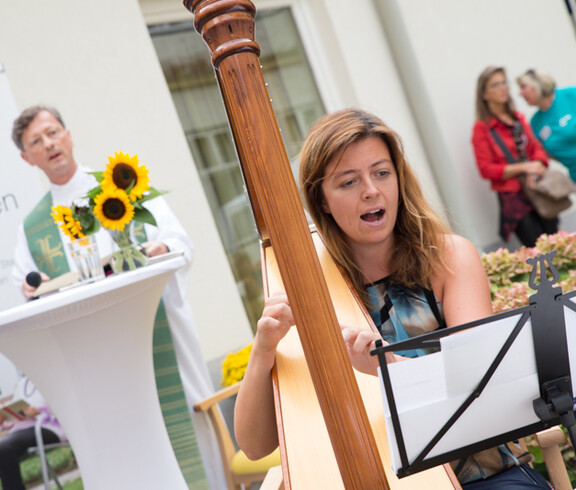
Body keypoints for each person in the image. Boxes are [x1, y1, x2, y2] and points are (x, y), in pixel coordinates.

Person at [234, 108, 551, 489]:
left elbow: (479, 390)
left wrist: (389, 366)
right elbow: (255, 446)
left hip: (481, 475)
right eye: (348, 182)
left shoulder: (449, 259)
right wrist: (264, 348)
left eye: (382, 173)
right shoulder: (309, 285)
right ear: (322, 202)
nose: (371, 189)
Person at [10, 105, 226, 489]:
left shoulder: (120, 184)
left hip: (162, 343)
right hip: (100, 363)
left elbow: (180, 242)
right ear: (27, 158)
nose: (49, 144)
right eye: (36, 142)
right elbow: (29, 287)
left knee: (188, 432)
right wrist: (34, 286)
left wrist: (162, 247)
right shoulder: (34, 229)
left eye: (53, 132)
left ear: (69, 134)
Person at [472, 66, 558, 248]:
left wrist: (538, 165)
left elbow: (536, 148)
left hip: (539, 190)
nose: (503, 88)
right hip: (514, 200)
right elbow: (486, 169)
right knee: (539, 254)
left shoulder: (518, 119)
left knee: (557, 244)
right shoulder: (483, 128)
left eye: (504, 82)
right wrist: (525, 167)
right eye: (495, 84)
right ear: (484, 94)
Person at [0, 375, 66, 490]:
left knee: (3, 447)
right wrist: (5, 417)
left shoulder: (50, 378)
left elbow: (62, 404)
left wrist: (39, 410)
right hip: (24, 430)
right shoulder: (22, 384)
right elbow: (16, 414)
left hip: (49, 427)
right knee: (3, 448)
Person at [517, 68, 576, 182]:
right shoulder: (535, 123)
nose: (520, 93)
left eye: (523, 87)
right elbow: (543, 154)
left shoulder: (570, 95)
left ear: (538, 84)